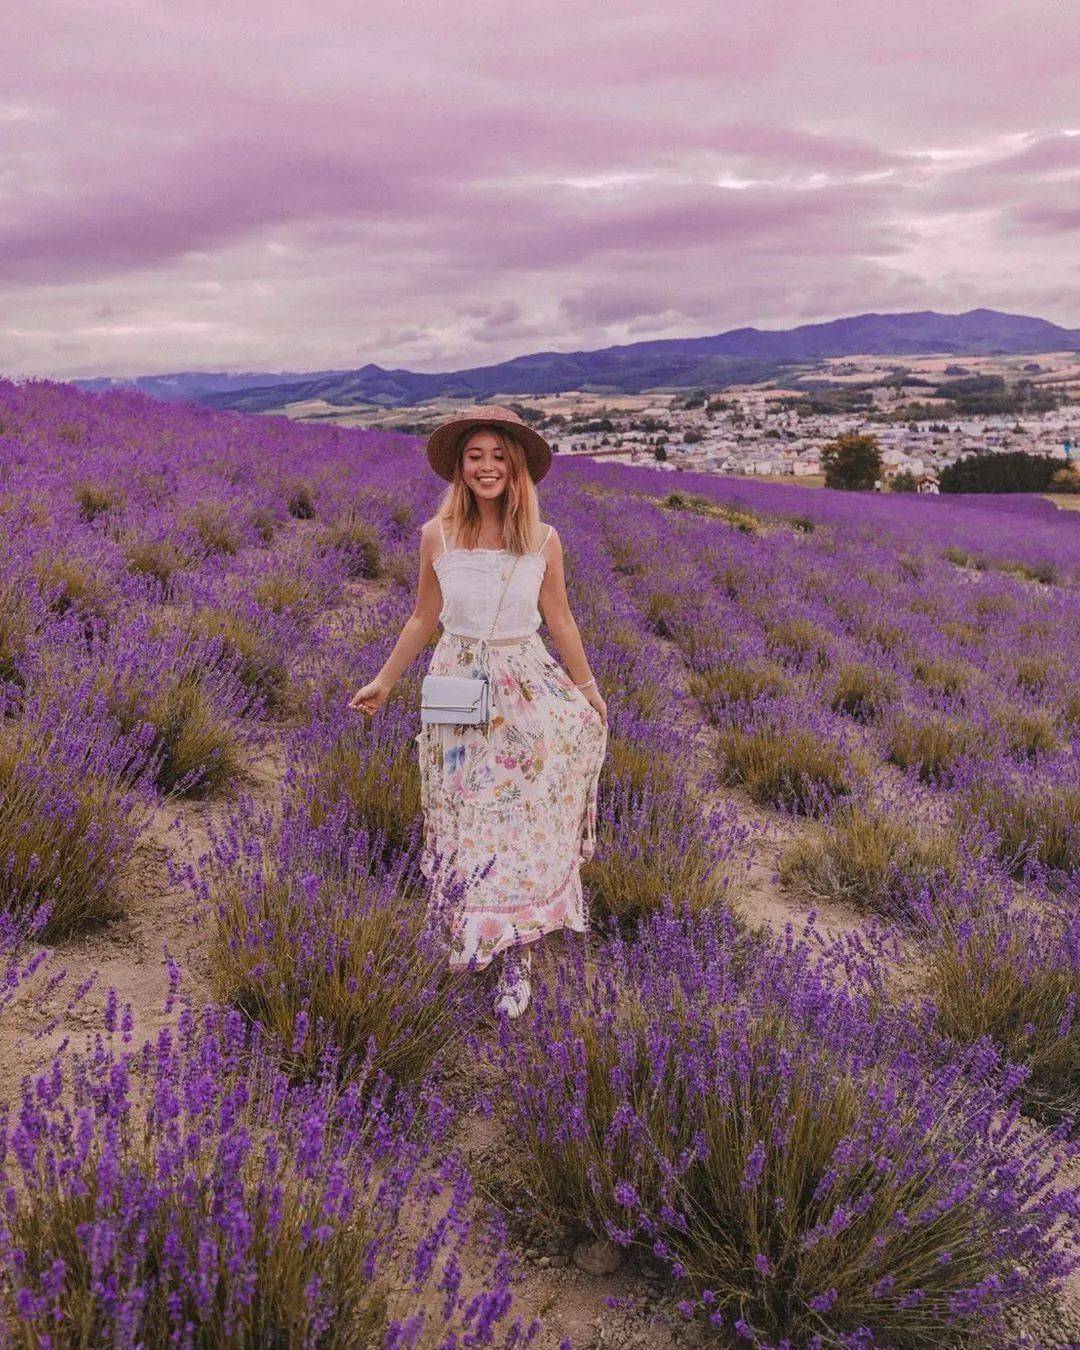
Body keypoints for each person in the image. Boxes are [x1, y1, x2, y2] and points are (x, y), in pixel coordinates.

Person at [348, 404, 608, 1019]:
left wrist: (588, 687)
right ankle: (467, 927)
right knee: (462, 806)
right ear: (460, 467)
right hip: (456, 683)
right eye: (475, 456)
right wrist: (384, 681)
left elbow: (561, 619)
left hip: (524, 682)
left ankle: (512, 945)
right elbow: (423, 616)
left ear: (516, 468)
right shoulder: (436, 534)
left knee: (518, 812)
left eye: (498, 457)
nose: (486, 467)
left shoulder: (543, 540)